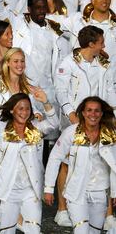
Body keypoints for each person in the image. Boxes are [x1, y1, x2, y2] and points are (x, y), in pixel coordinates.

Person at [0, 83, 59, 234]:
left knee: (34, 230)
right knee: (7, 231)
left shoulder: (36, 129)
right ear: (12, 110)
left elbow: (54, 123)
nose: (25, 112)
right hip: (8, 191)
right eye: (20, 108)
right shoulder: (0, 128)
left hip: (31, 191)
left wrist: (46, 102)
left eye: (27, 108)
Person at [44, 96, 116, 233]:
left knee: (94, 231)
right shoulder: (71, 132)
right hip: (76, 192)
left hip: (100, 192)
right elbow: (54, 158)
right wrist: (48, 188)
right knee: (81, 230)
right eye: (89, 110)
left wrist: (114, 192)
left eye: (96, 111)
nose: (93, 114)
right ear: (83, 113)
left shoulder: (110, 134)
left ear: (101, 114)